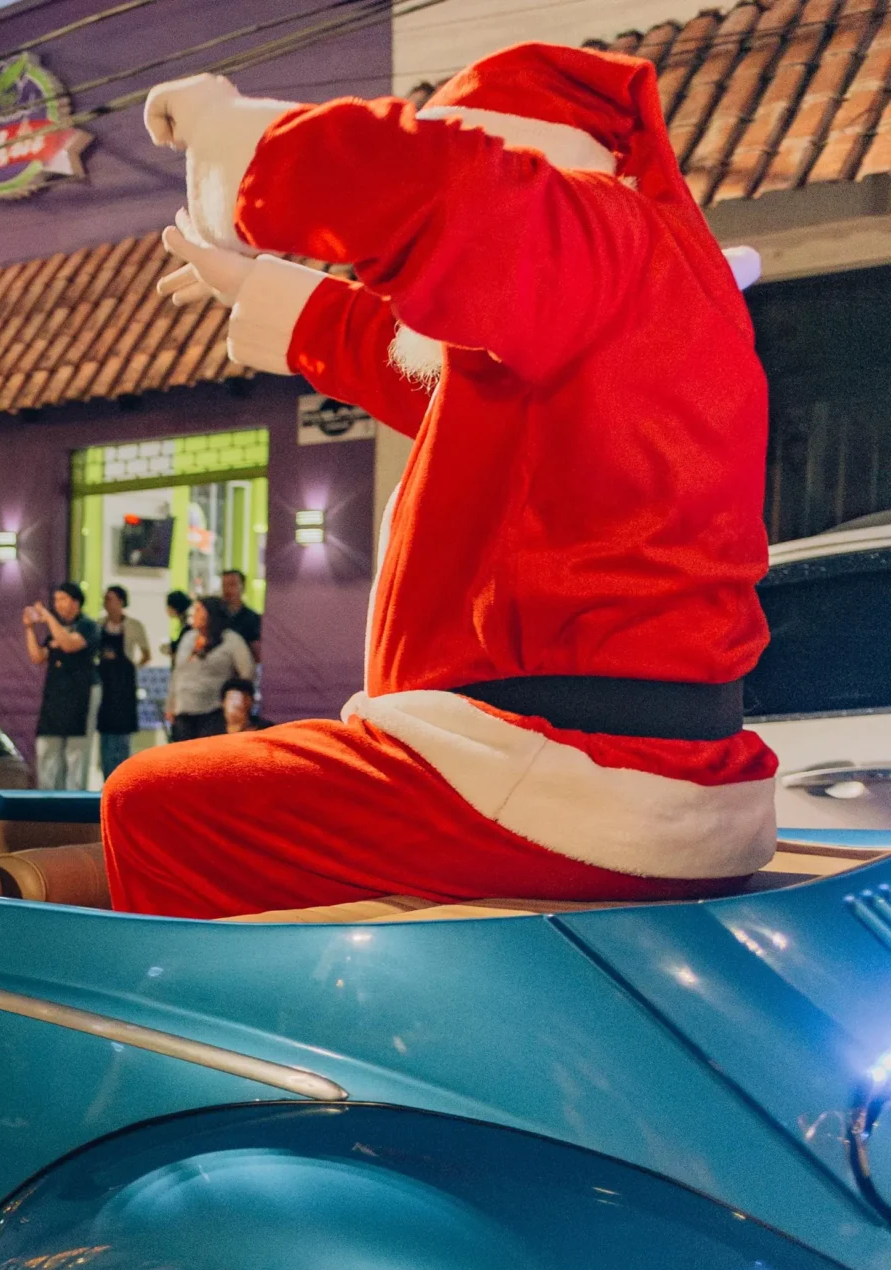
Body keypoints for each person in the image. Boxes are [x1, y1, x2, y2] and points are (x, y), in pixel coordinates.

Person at [109, 46, 777, 917]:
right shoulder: (643, 297)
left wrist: (234, 139)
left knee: (152, 804)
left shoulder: (600, 230)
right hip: (624, 766)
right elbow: (421, 373)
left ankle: (199, 1053)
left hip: (559, 767)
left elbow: (445, 191)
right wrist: (273, 295)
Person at [23, 583, 99, 789]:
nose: (57, 604)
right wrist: (29, 628)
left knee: (75, 753)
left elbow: (68, 644)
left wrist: (47, 617)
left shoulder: (88, 626)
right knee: (47, 748)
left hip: (80, 694)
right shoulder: (55, 630)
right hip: (55, 695)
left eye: (62, 599)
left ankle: (74, 801)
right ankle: (47, 797)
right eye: (55, 600)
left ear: (76, 602)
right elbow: (38, 656)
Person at [163, 598, 256, 741]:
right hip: (183, 710)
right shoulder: (188, 638)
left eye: (199, 610)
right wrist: (170, 705)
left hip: (214, 711)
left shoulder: (231, 640)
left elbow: (247, 672)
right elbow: (177, 673)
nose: (194, 614)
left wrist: (235, 701)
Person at [94, 585, 155, 779]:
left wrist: (131, 667)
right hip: (105, 684)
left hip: (124, 686)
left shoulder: (133, 626)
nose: (106, 603)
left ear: (121, 601)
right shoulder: (98, 624)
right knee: (105, 733)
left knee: (122, 736)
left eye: (110, 599)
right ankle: (106, 776)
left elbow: (146, 654)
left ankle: (121, 776)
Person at [217, 568, 263, 662]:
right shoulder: (215, 616)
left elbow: (257, 652)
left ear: (243, 587)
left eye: (232, 585)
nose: (227, 589)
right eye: (224, 585)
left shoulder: (253, 619)